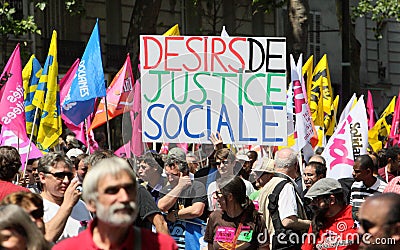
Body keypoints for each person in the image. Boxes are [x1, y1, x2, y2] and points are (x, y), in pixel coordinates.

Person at [53, 157, 177, 250]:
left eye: (129, 189)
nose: (124, 198)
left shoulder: (162, 246)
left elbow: (160, 222)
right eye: (112, 191)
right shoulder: (69, 248)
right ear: (91, 202)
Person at [258, 148, 310, 249]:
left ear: (275, 165)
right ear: (296, 166)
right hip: (282, 244)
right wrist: (311, 224)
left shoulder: (267, 185)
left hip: (268, 242)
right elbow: (288, 221)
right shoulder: (286, 186)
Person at [38, 152, 92, 242]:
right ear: (43, 177)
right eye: (59, 176)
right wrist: (67, 205)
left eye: (69, 175)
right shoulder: (35, 207)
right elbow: (46, 239)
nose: (66, 181)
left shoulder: (81, 205)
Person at [204, 176, 269, 249]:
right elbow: (210, 247)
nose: (216, 197)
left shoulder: (256, 219)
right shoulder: (214, 217)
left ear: (230, 197)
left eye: (218, 193)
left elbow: (264, 248)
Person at [158, 153, 207, 249]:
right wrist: (179, 187)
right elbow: (162, 206)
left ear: (184, 174)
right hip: (173, 237)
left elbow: (196, 210)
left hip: (193, 237)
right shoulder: (166, 189)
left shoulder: (197, 186)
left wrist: (175, 215)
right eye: (167, 175)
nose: (170, 178)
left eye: (174, 175)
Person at [302, 178, 359, 250]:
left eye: (316, 200)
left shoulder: (357, 217)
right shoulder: (317, 222)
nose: (312, 204)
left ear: (332, 200)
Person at [350, 154, 387, 220]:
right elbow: (351, 210)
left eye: (357, 171)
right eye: (353, 170)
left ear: (368, 172)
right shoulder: (355, 186)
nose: (353, 173)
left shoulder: (384, 189)